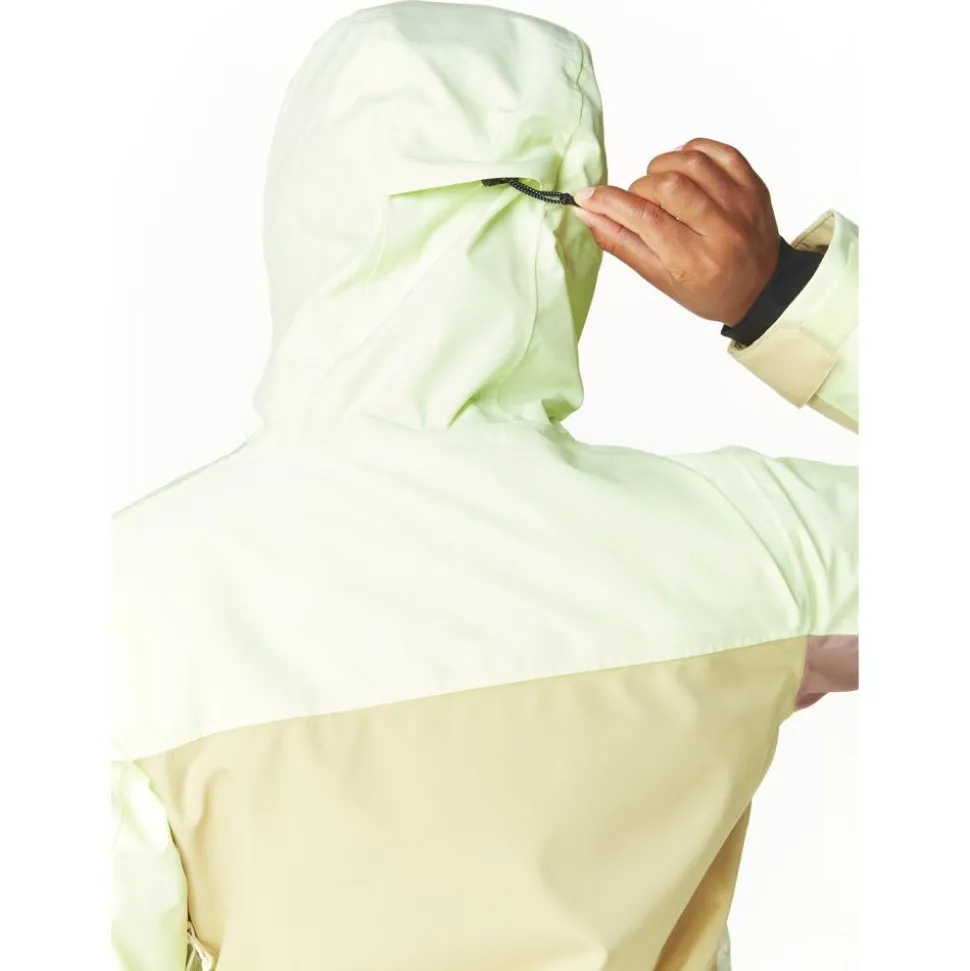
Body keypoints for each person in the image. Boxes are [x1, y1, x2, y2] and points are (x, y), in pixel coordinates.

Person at [111, 4, 857, 971]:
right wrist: (787, 295)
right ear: (579, 227)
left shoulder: (117, 602)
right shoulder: (756, 544)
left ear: (300, 214)